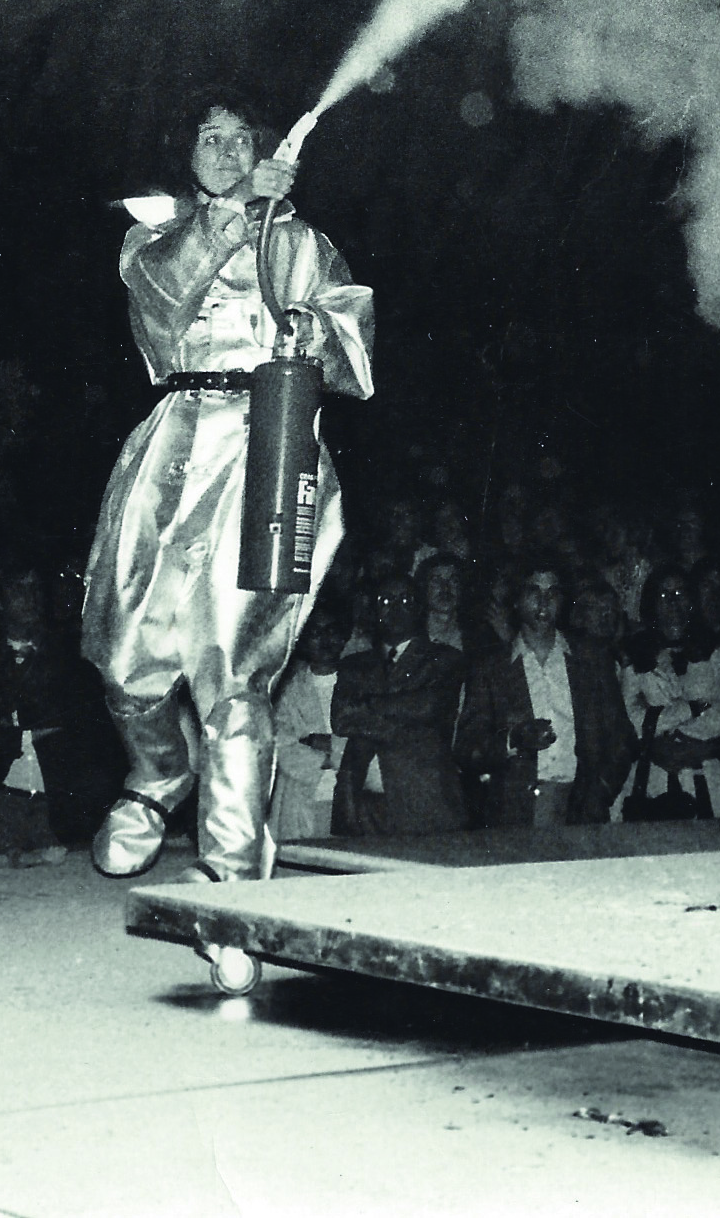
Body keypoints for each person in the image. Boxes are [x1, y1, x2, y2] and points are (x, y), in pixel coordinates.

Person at [81, 95, 373, 883]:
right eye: (212, 137)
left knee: (234, 663)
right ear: (190, 155)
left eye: (243, 139)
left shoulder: (301, 240)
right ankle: (159, 774)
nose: (228, 149)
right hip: (174, 443)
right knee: (121, 652)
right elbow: (160, 296)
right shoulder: (153, 233)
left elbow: (352, 327)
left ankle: (233, 873)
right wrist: (239, 212)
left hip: (267, 446)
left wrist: (312, 328)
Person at [455, 562, 632, 830]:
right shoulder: (491, 667)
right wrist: (512, 739)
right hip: (514, 811)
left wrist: (602, 792)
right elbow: (467, 749)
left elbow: (621, 737)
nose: (543, 601)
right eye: (533, 591)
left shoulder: (591, 659)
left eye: (552, 592)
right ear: (515, 600)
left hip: (581, 804)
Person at [330, 572, 468, 837]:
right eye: (385, 601)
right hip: (361, 804)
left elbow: (428, 707)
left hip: (425, 802)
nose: (394, 609)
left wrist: (366, 709)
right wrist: (402, 713)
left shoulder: (445, 659)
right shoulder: (354, 664)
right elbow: (341, 719)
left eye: (405, 600)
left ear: (420, 607)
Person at [618, 568, 720, 822]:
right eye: (663, 595)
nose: (672, 602)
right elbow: (631, 717)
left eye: (679, 593)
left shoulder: (717, 650)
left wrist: (682, 739)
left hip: (709, 774)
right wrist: (692, 709)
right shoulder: (636, 653)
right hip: (653, 776)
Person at [268, 597, 348, 846]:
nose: (324, 639)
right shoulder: (284, 689)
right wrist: (336, 755)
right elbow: (281, 745)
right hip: (302, 793)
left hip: (351, 795)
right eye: (315, 632)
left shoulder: (361, 679)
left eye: (331, 630)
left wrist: (322, 742)